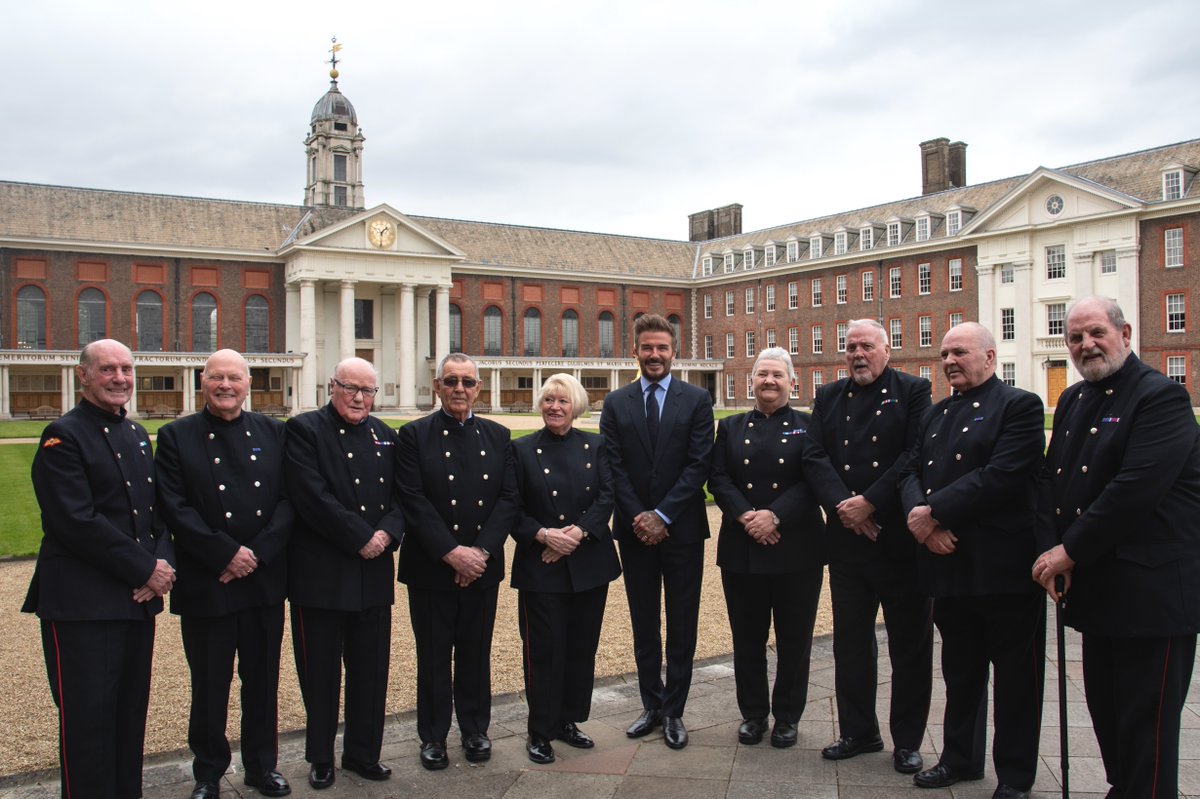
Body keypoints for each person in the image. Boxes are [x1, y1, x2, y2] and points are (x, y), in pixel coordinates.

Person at [1034, 296, 1200, 799]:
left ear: (1124, 334)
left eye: (1096, 334)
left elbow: (1132, 492)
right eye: (1076, 338)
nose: (1086, 345)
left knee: (1146, 722)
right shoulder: (1074, 399)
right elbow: (1051, 482)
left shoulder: (1159, 398)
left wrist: (1069, 552)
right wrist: (1051, 550)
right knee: (1107, 713)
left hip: (1153, 593)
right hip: (1099, 588)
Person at [23, 339, 175, 799]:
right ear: (82, 375)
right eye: (107, 369)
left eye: (126, 369)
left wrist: (161, 564)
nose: (119, 378)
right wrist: (145, 569)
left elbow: (155, 514)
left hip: (135, 599)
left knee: (130, 716)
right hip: (83, 603)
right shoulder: (62, 435)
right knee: (88, 721)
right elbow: (74, 521)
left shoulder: (134, 433)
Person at [898, 322, 1045, 799]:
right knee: (961, 672)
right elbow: (910, 471)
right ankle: (960, 757)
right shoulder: (936, 414)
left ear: (988, 355)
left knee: (1016, 681)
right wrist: (923, 521)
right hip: (948, 565)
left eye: (959, 352)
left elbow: (1002, 475)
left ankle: (1016, 776)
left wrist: (934, 513)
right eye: (944, 354)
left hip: (1002, 567)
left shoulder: (1020, 406)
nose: (949, 361)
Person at [156, 349, 292, 799]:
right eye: (217, 377)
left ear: (249, 383)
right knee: (210, 684)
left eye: (234, 377)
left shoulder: (275, 432)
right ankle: (208, 772)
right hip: (207, 580)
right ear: (203, 381)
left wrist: (255, 553)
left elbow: (289, 502)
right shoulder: (176, 436)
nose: (226, 386)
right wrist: (225, 554)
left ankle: (261, 767)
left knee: (262, 682)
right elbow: (174, 507)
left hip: (262, 579)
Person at [801, 319, 933, 774]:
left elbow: (915, 454)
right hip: (847, 541)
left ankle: (908, 740)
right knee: (851, 643)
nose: (858, 354)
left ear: (887, 350)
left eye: (867, 346)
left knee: (909, 646)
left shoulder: (914, 390)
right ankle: (859, 730)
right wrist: (844, 506)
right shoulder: (830, 395)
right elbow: (814, 455)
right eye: (851, 347)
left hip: (898, 537)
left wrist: (870, 502)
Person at [396, 353, 519, 770]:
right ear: (437, 386)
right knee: (432, 656)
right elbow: (412, 499)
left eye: (468, 382)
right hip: (432, 567)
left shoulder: (499, 436)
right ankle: (432, 736)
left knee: (474, 653)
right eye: (451, 382)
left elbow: (508, 499)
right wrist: (452, 554)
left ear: (479, 388)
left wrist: (480, 553)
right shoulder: (413, 436)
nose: (460, 390)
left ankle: (474, 729)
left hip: (481, 568)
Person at [284, 357, 402, 790]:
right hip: (321, 573)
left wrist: (387, 533)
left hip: (373, 574)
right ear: (332, 386)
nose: (358, 397)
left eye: (367, 390)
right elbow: (310, 496)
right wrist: (360, 537)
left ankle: (362, 753)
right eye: (350, 388)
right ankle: (320, 756)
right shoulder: (304, 430)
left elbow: (402, 497)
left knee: (370, 670)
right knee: (320, 673)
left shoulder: (385, 436)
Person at [600, 313, 714, 750]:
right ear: (635, 351)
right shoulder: (617, 402)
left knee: (682, 622)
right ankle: (650, 703)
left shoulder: (697, 400)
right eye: (647, 348)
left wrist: (662, 515)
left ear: (674, 351)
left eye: (662, 348)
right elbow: (613, 466)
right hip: (633, 532)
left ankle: (675, 711)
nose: (654, 355)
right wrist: (639, 517)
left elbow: (699, 463)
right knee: (643, 620)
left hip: (682, 530)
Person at [708, 348, 826, 748]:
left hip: (797, 547)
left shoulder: (811, 426)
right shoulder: (731, 426)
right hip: (743, 548)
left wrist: (774, 516)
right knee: (747, 637)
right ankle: (754, 714)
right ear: (751, 381)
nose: (769, 381)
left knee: (795, 638)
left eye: (777, 374)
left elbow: (815, 480)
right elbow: (719, 478)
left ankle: (788, 715)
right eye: (762, 374)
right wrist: (747, 517)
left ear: (792, 382)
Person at [510, 373, 620, 764]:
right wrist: (544, 536)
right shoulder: (520, 450)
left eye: (562, 400)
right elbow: (511, 508)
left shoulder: (597, 444)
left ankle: (569, 720)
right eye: (548, 400)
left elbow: (608, 495)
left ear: (576, 406)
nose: (555, 407)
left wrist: (575, 535)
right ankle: (540, 729)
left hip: (588, 562)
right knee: (542, 651)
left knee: (580, 649)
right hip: (541, 565)